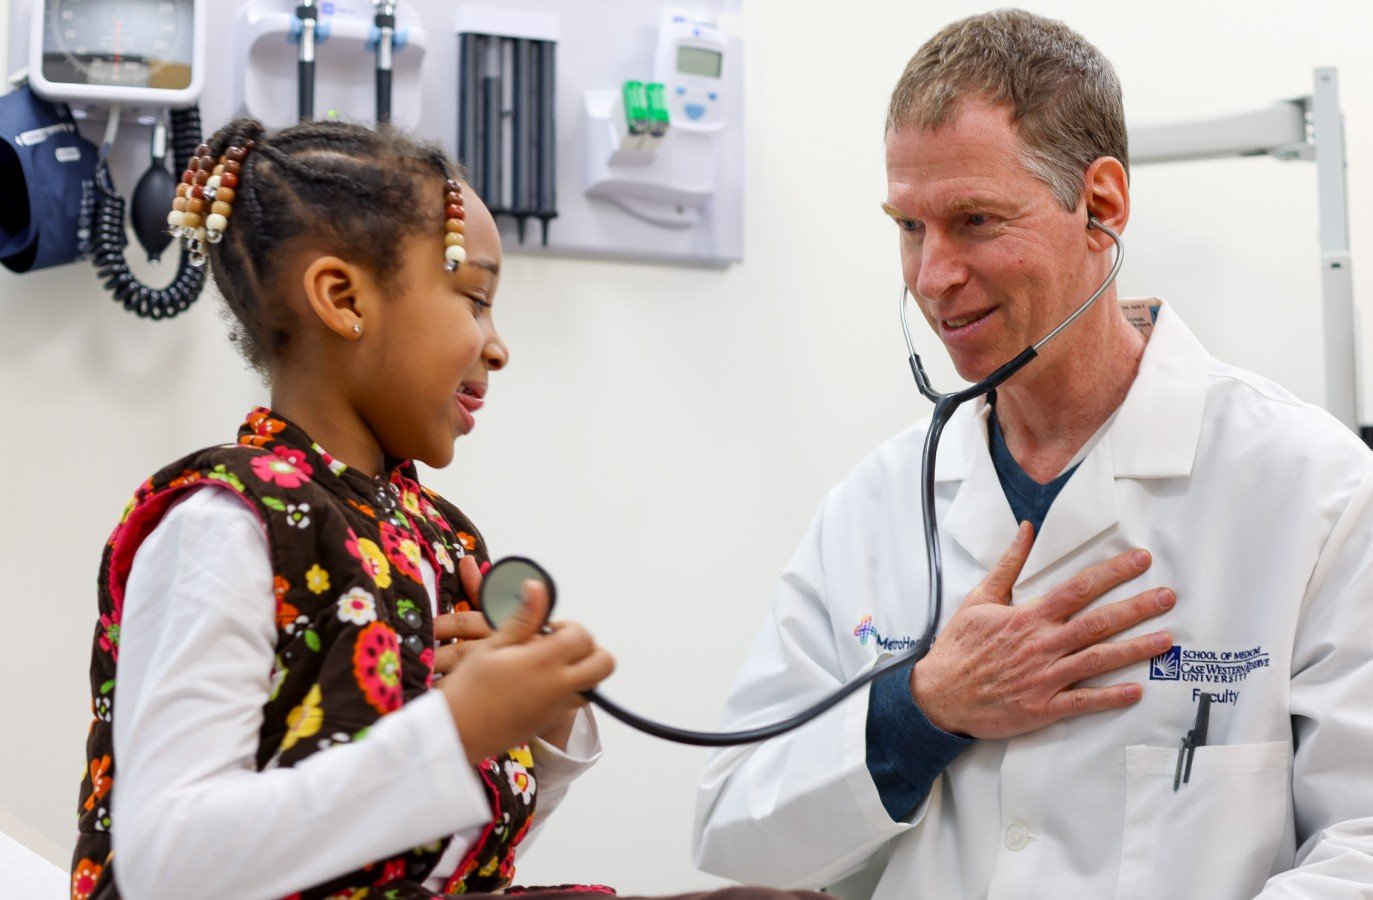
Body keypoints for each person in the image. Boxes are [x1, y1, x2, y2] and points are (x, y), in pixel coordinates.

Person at [694, 10, 1373, 898]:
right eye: (910, 227)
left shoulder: (1317, 496)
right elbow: (738, 833)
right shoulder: (875, 509)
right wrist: (918, 713)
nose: (932, 276)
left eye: (973, 220)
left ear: (1102, 205)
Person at [71, 117, 825, 900]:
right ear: (343, 297)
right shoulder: (222, 526)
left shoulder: (429, 537)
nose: (496, 345)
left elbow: (431, 860)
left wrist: (539, 728)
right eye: (475, 298)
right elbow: (167, 865)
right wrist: (455, 728)